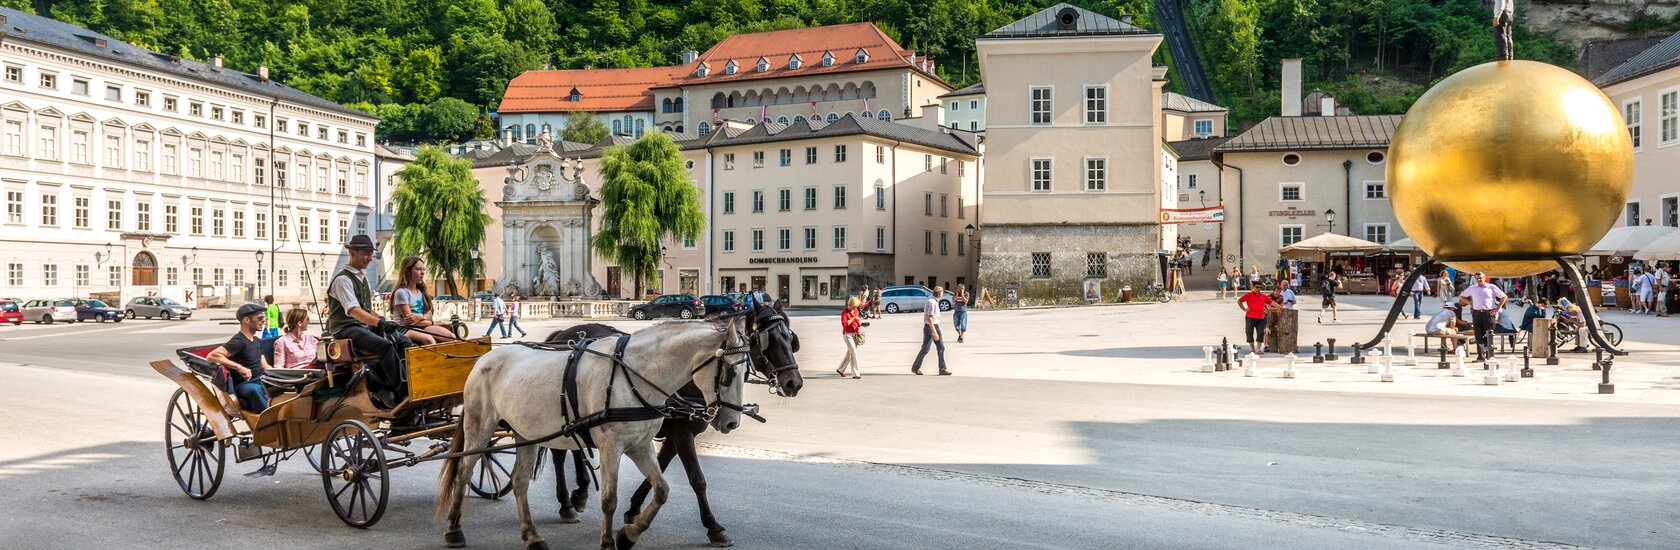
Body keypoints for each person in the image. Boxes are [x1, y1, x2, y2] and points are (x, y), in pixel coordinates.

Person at [327, 235, 414, 408]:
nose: (369, 258)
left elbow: (366, 309)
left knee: (404, 341)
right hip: (345, 329)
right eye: (365, 253)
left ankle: (397, 384)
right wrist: (379, 324)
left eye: (371, 253)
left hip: (361, 326)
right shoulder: (342, 280)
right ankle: (402, 391)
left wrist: (383, 320)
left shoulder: (362, 278)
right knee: (384, 345)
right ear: (352, 252)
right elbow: (353, 311)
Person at [206, 303, 272, 411]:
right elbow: (212, 356)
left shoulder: (256, 341)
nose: (263, 321)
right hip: (245, 384)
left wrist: (282, 373)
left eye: (263, 318)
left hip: (261, 379)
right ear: (246, 320)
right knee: (255, 390)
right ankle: (269, 421)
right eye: (260, 318)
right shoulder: (239, 341)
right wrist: (239, 367)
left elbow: (265, 365)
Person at [392, 256, 457, 346]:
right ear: (407, 272)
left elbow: (428, 315)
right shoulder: (401, 292)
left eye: (423, 269)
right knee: (429, 340)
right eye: (418, 269)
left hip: (422, 325)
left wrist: (419, 316)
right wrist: (431, 322)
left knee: (451, 337)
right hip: (404, 328)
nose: (422, 273)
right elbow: (410, 321)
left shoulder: (421, 292)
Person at [1458, 272, 1508, 361]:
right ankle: (1480, 356)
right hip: (1477, 313)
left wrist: (1497, 308)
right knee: (1478, 334)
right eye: (1477, 278)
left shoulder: (1491, 287)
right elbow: (1461, 296)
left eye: (1481, 278)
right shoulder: (1472, 288)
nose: (1479, 280)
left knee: (1489, 334)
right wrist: (1469, 303)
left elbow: (1504, 297)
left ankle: (1490, 355)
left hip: (1488, 313)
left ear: (1485, 278)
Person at [911, 286, 950, 376]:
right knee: (925, 349)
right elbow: (929, 319)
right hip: (930, 328)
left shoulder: (935, 302)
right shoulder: (932, 303)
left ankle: (942, 369)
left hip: (935, 326)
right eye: (942, 292)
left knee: (941, 348)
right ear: (940, 294)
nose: (943, 294)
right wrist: (935, 332)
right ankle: (915, 368)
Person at [1237, 285, 1273, 354]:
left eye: (1260, 287)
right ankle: (1252, 348)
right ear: (1253, 288)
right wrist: (1244, 309)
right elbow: (1239, 301)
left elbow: (1271, 302)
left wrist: (1280, 307)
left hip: (1260, 318)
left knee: (1260, 332)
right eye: (1257, 287)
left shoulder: (1263, 296)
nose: (1259, 288)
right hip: (1250, 317)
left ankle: (1258, 349)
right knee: (1249, 332)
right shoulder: (1248, 295)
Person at [836, 297, 864, 379]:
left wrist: (860, 324)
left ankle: (840, 369)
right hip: (847, 335)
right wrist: (853, 318)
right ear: (851, 305)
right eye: (855, 306)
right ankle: (855, 373)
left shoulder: (855, 311)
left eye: (856, 306)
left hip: (855, 333)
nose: (856, 308)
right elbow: (844, 324)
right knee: (854, 352)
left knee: (849, 353)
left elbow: (857, 322)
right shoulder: (844, 312)